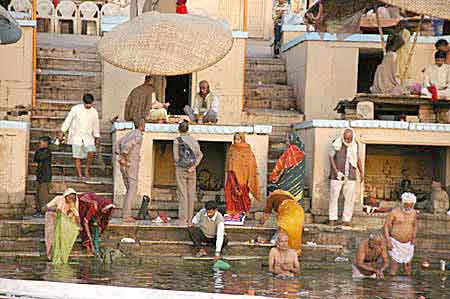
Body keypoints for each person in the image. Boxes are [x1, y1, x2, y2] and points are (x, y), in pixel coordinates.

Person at [59, 93, 100, 181]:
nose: (88, 106)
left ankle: (86, 169)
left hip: (88, 137)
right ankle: (80, 174)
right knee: (77, 156)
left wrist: (97, 137)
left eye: (90, 104)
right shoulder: (75, 109)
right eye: (87, 104)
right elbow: (68, 120)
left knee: (91, 152)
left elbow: (96, 125)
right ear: (83, 102)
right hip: (76, 136)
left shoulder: (94, 112)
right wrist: (62, 131)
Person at [329, 128, 364, 226]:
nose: (347, 140)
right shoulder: (336, 143)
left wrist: (361, 172)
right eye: (346, 138)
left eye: (349, 139)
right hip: (337, 175)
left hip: (351, 175)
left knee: (349, 198)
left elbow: (357, 158)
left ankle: (346, 220)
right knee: (333, 197)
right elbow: (331, 158)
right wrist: (336, 172)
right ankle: (332, 219)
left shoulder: (355, 144)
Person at [116, 119, 146, 223]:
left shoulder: (129, 133)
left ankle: (126, 213)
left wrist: (120, 156)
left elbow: (118, 142)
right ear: (142, 125)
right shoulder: (138, 135)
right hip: (131, 164)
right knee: (132, 189)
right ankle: (126, 215)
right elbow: (128, 145)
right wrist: (124, 156)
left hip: (125, 163)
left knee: (129, 189)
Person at [173, 120, 203, 224]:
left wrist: (180, 164)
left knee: (182, 193)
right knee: (191, 193)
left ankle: (183, 218)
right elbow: (200, 155)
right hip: (192, 169)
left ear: (179, 129)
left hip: (181, 168)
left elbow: (176, 158)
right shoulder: (193, 140)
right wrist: (194, 166)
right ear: (188, 129)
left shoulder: (177, 141)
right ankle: (190, 219)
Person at [225, 132, 260, 215]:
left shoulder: (247, 150)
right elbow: (229, 164)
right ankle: (233, 213)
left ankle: (244, 212)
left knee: (243, 194)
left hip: (243, 178)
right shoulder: (232, 149)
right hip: (232, 176)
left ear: (242, 139)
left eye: (238, 139)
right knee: (230, 193)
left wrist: (248, 178)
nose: (236, 141)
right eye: (235, 139)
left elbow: (251, 165)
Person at [384, 192, 417, 276]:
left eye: (411, 205)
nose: (408, 207)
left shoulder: (413, 213)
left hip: (408, 243)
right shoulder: (394, 212)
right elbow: (386, 227)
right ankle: (392, 286)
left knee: (408, 266)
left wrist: (414, 237)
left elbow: (415, 225)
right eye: (406, 205)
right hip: (395, 242)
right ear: (403, 203)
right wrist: (388, 241)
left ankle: (407, 287)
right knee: (394, 266)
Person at [43, 188, 80, 264]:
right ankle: (50, 255)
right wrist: (54, 209)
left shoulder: (74, 203)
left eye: (73, 198)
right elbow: (45, 207)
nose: (70, 200)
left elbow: (76, 215)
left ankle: (62, 255)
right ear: (65, 196)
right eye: (69, 198)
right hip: (52, 219)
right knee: (51, 237)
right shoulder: (58, 199)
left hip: (64, 223)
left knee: (63, 238)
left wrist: (79, 225)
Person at [269, 133, 305, 204]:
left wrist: (277, 177)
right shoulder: (301, 152)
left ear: (291, 140)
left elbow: (284, 166)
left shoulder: (291, 151)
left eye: (287, 140)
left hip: (289, 179)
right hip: (298, 181)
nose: (286, 141)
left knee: (285, 193)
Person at [33, 136, 52, 218]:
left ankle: (43, 212)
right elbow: (36, 158)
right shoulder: (40, 151)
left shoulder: (47, 152)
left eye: (41, 143)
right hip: (40, 175)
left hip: (45, 176)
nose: (39, 144)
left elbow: (40, 157)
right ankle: (38, 210)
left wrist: (39, 151)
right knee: (37, 195)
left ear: (45, 143)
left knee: (42, 195)